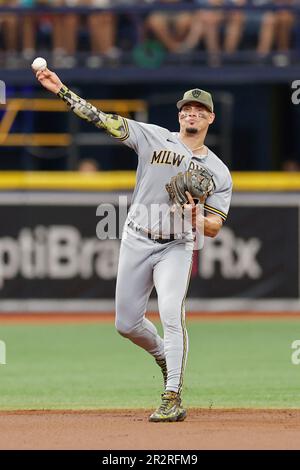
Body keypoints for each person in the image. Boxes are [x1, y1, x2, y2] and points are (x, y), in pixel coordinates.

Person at [34, 65, 233, 422]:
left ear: (210, 118)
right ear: (179, 114)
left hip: (177, 244)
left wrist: (196, 219)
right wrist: (61, 89)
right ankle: (163, 354)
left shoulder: (218, 171)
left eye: (200, 110)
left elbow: (215, 226)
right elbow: (101, 119)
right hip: (137, 238)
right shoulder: (153, 136)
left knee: (172, 314)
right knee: (126, 324)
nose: (192, 113)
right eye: (187, 108)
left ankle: (172, 394)